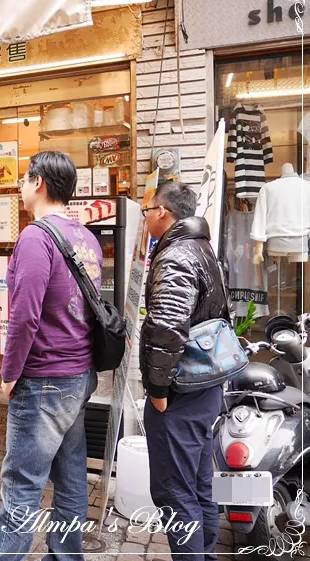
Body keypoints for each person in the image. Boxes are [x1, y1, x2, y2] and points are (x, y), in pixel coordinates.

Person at [0, 152, 101, 561]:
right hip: (77, 374)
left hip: (45, 377)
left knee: (22, 481)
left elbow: (25, 316)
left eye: (24, 178)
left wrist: (10, 372)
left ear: (40, 183)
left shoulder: (36, 237)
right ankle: (66, 555)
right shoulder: (85, 237)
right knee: (70, 477)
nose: (19, 184)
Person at [140, 181, 227, 560]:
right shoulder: (203, 247)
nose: (144, 219)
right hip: (204, 388)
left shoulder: (176, 256)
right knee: (196, 487)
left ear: (162, 212)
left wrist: (158, 391)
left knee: (175, 494)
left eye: (146, 211)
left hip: (181, 393)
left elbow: (167, 328)